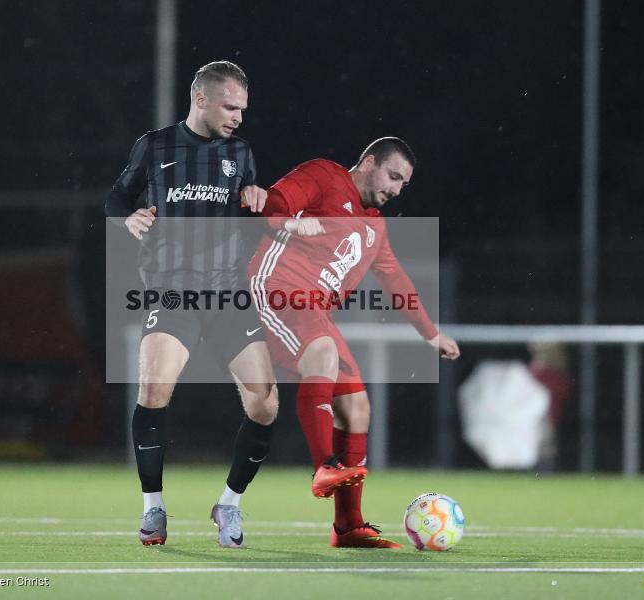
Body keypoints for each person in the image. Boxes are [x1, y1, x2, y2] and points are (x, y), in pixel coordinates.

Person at [247, 137, 460, 548]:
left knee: (357, 408)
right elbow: (274, 201)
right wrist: (287, 219)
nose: (396, 189)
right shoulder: (324, 175)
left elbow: (395, 280)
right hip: (275, 288)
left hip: (314, 312)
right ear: (368, 162)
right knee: (323, 352)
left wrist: (430, 334)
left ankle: (348, 527)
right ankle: (323, 466)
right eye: (393, 176)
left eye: (404, 184)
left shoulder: (374, 226)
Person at [106, 61, 278, 548]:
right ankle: (153, 508)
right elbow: (116, 198)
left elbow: (247, 209)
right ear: (200, 99)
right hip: (173, 290)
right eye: (230, 106)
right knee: (155, 388)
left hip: (227, 294)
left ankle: (229, 504)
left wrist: (255, 199)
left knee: (265, 403)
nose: (239, 117)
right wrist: (129, 218)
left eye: (243, 108)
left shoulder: (240, 153)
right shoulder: (155, 146)